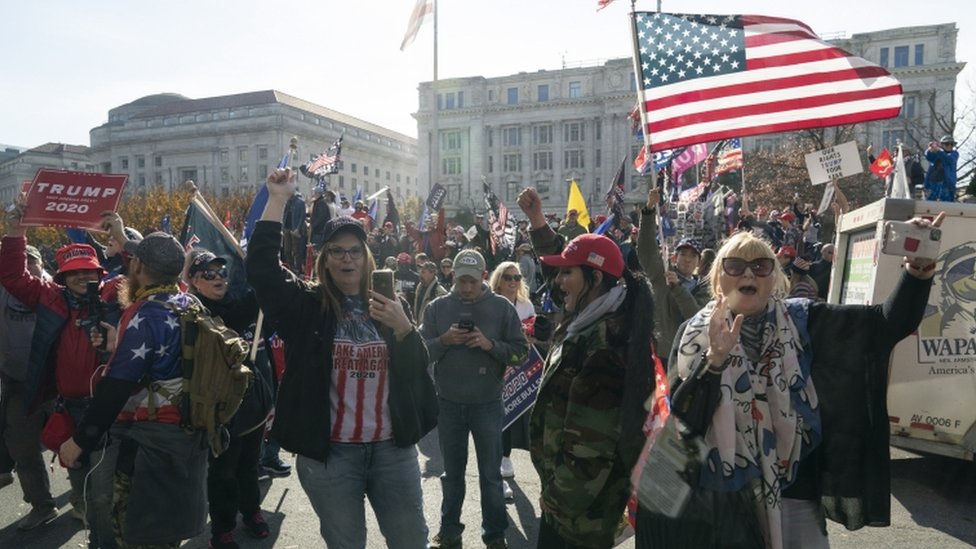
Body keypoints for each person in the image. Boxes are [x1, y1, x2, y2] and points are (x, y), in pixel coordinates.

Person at [636, 213, 943, 549]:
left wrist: (918, 270)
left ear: (774, 278)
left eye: (761, 266)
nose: (749, 273)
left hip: (796, 494)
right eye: (735, 265)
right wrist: (714, 362)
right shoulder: (694, 334)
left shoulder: (804, 320)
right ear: (718, 278)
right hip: (724, 499)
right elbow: (683, 420)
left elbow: (886, 324)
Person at [245, 168, 437, 548]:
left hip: (392, 451)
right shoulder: (308, 306)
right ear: (325, 259)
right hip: (331, 456)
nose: (347, 258)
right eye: (337, 251)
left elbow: (418, 372)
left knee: (411, 540)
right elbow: (262, 269)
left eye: (354, 251)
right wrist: (278, 199)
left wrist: (404, 329)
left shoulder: (388, 304)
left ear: (366, 258)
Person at [517, 187, 656, 548]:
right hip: (577, 503)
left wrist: (559, 501)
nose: (559, 283)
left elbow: (590, 448)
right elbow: (564, 275)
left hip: (578, 514)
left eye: (568, 275)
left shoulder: (605, 346)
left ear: (594, 280)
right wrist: (538, 224)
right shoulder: (597, 310)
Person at [58, 232, 209, 548]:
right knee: (169, 521)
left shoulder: (145, 313)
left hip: (152, 436)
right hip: (190, 429)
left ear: (138, 266)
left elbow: (116, 387)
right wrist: (117, 344)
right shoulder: (188, 301)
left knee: (137, 529)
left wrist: (80, 439)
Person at [0, 217, 121, 542]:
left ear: (100, 273)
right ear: (62, 277)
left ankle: (104, 539)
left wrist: (120, 237)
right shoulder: (51, 298)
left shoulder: (114, 293)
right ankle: (96, 531)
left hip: (110, 410)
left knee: (104, 490)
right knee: (81, 480)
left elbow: (150, 275)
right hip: (70, 409)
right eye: (75, 272)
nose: (83, 277)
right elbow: (12, 275)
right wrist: (16, 231)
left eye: (89, 271)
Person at [421, 249, 528, 549]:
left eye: (472, 281)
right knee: (452, 474)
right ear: (453, 276)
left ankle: (494, 535)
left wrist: (490, 345)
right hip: (449, 404)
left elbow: (521, 353)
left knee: (491, 476)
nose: (466, 287)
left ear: (483, 277)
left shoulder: (502, 308)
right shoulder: (438, 308)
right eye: (461, 280)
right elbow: (419, 352)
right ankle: (450, 531)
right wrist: (444, 341)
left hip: (487, 404)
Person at [184, 250, 275, 549]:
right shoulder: (197, 312)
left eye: (222, 271)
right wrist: (263, 277)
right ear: (194, 281)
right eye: (209, 274)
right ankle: (222, 529)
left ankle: (251, 512)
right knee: (224, 471)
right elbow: (233, 321)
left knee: (250, 465)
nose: (219, 277)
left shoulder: (235, 300)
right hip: (221, 407)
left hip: (252, 403)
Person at [0, 244, 58, 531]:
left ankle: (87, 500)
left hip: (56, 382)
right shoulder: (3, 289)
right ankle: (42, 505)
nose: (24, 269)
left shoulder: (55, 290)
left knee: (72, 443)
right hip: (19, 384)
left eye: (30, 262)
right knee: (22, 446)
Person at [638, 187, 710, 359]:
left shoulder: (703, 287)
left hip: (690, 356)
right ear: (674, 257)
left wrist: (677, 287)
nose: (687, 259)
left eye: (693, 256)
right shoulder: (662, 274)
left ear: (698, 262)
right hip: (662, 354)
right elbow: (647, 250)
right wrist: (648, 211)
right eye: (683, 254)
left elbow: (695, 316)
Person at [488, 261, 536, 502]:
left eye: (517, 277)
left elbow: (533, 336)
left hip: (519, 368)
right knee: (495, 416)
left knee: (513, 414)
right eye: (508, 277)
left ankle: (505, 458)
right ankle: (496, 470)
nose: (513, 282)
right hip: (494, 364)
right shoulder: (490, 303)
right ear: (498, 280)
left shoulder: (526, 305)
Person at [924, 135, 959, 202]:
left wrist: (938, 150)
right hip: (933, 183)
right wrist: (930, 149)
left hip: (946, 185)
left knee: (946, 206)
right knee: (930, 205)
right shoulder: (937, 153)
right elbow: (929, 157)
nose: (949, 146)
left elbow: (949, 160)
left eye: (951, 144)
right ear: (942, 145)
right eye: (946, 144)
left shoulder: (954, 154)